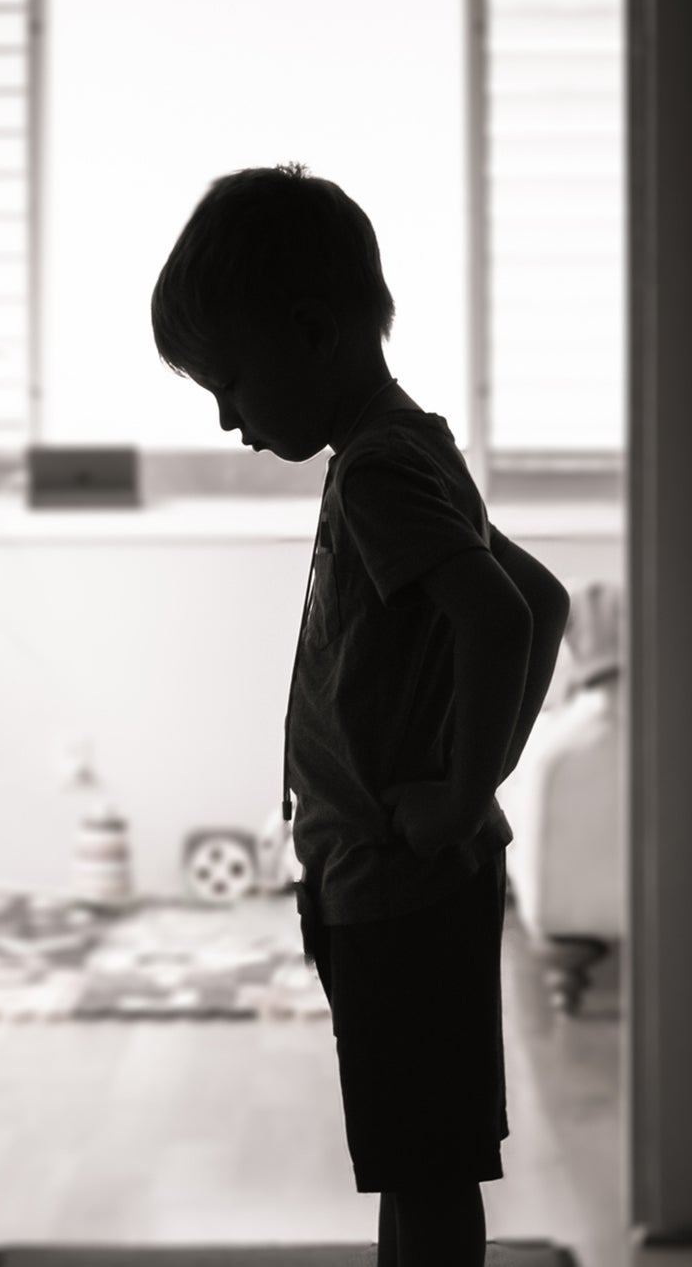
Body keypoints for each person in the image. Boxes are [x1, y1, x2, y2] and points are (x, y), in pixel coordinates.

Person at [151, 164, 571, 1267]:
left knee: (424, 1165)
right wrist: (469, 783)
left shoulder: (381, 470)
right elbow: (538, 599)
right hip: (387, 874)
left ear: (310, 333)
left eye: (232, 383)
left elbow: (501, 616)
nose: (230, 418)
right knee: (415, 1156)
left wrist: (464, 790)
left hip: (401, 886)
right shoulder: (405, 447)